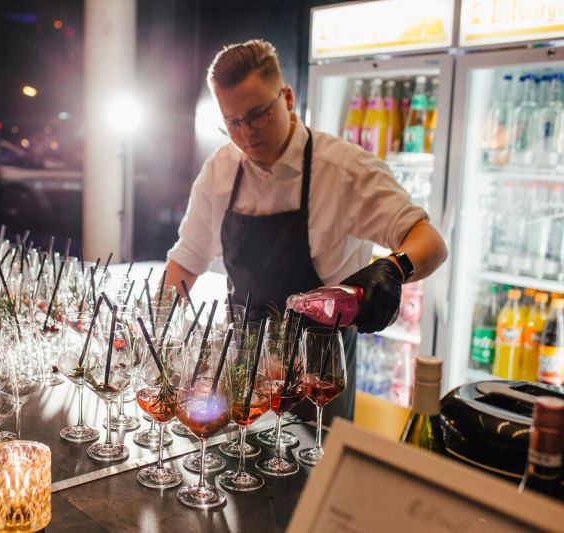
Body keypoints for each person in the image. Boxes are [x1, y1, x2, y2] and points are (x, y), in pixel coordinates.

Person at [164, 39, 447, 421]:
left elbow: (430, 242)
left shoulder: (344, 170)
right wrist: (160, 341)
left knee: (313, 459)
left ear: (287, 98)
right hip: (243, 374)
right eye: (232, 122)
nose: (246, 134)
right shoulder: (220, 169)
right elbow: (186, 261)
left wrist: (394, 269)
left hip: (320, 376)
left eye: (258, 115)